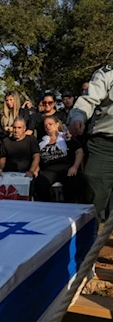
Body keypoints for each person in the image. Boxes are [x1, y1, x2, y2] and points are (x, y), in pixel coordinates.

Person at [68, 65, 113, 214]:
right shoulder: (107, 74)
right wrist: (77, 117)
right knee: (95, 194)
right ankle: (91, 234)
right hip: (105, 144)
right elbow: (88, 100)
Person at [34, 116, 83, 202]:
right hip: (49, 170)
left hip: (65, 168)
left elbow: (79, 151)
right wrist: (35, 169)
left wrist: (75, 167)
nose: (48, 127)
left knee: (72, 183)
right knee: (40, 183)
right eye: (46, 125)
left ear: (57, 125)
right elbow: (37, 156)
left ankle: (69, 208)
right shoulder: (41, 142)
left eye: (50, 124)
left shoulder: (66, 138)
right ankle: (48, 207)